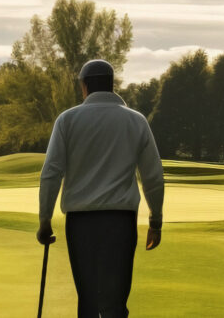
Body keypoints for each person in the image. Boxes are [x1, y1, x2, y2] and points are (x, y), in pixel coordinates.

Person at [37, 59, 165, 318]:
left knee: (88, 302)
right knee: (115, 304)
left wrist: (45, 220)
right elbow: (152, 175)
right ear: (111, 84)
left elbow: (51, 173)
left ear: (84, 87)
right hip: (120, 222)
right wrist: (156, 220)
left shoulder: (67, 120)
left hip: (80, 223)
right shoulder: (136, 121)